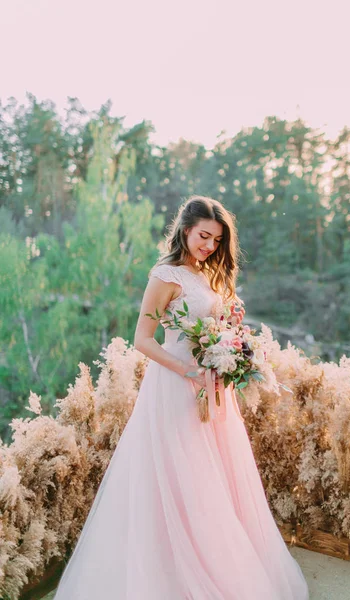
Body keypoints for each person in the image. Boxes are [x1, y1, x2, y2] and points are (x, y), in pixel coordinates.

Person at [54, 195, 309, 599]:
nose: (209, 245)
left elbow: (211, 323)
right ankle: (168, 571)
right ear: (185, 229)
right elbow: (142, 339)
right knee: (178, 474)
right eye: (203, 236)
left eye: (216, 240)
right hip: (175, 385)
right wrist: (188, 370)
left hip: (212, 384)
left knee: (213, 476)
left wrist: (231, 331)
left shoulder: (209, 273)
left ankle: (215, 560)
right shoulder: (165, 275)